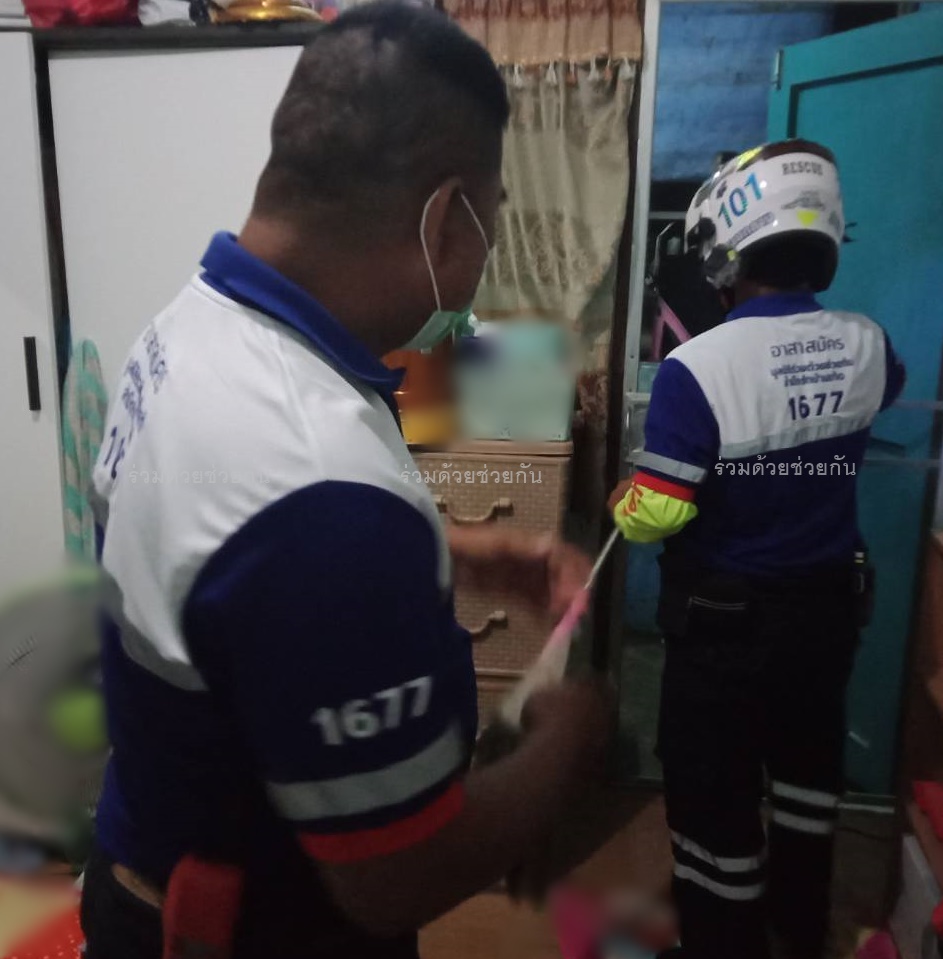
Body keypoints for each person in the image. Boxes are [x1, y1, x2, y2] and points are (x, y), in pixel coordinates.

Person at [81, 5, 614, 957]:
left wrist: (448, 551)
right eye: (492, 219)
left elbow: (225, 558)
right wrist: (570, 737)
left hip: (143, 873)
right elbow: (395, 874)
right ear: (444, 221)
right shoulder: (318, 484)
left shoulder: (189, 327)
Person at [609, 140, 906, 959]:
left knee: (714, 801)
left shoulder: (695, 368)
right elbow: (878, 396)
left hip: (725, 632)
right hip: (826, 618)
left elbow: (656, 513)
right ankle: (798, 930)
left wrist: (621, 502)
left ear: (722, 247)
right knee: (808, 780)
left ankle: (722, 942)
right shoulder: (868, 344)